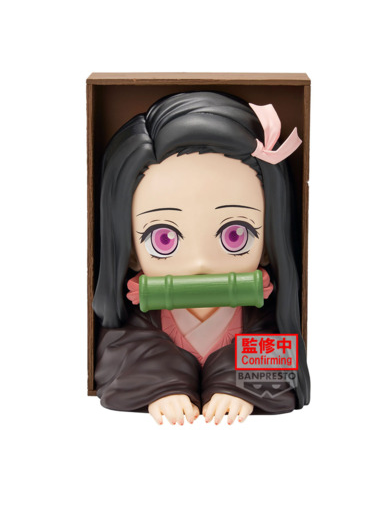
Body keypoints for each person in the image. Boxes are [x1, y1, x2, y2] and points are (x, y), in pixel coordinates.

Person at [92, 91, 311, 425]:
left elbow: (280, 352)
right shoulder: (141, 319)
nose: (199, 262)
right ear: (131, 249)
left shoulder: (262, 315)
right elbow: (117, 354)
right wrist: (162, 386)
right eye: (163, 238)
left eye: (235, 234)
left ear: (267, 241)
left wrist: (238, 386)